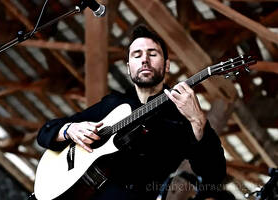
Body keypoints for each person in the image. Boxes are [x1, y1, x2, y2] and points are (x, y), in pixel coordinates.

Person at [37, 24, 226, 200]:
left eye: (153, 54)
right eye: (137, 55)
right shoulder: (112, 104)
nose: (144, 59)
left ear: (167, 65)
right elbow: (45, 132)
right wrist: (68, 130)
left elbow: (214, 174)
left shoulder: (182, 118)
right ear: (129, 67)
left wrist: (198, 121)